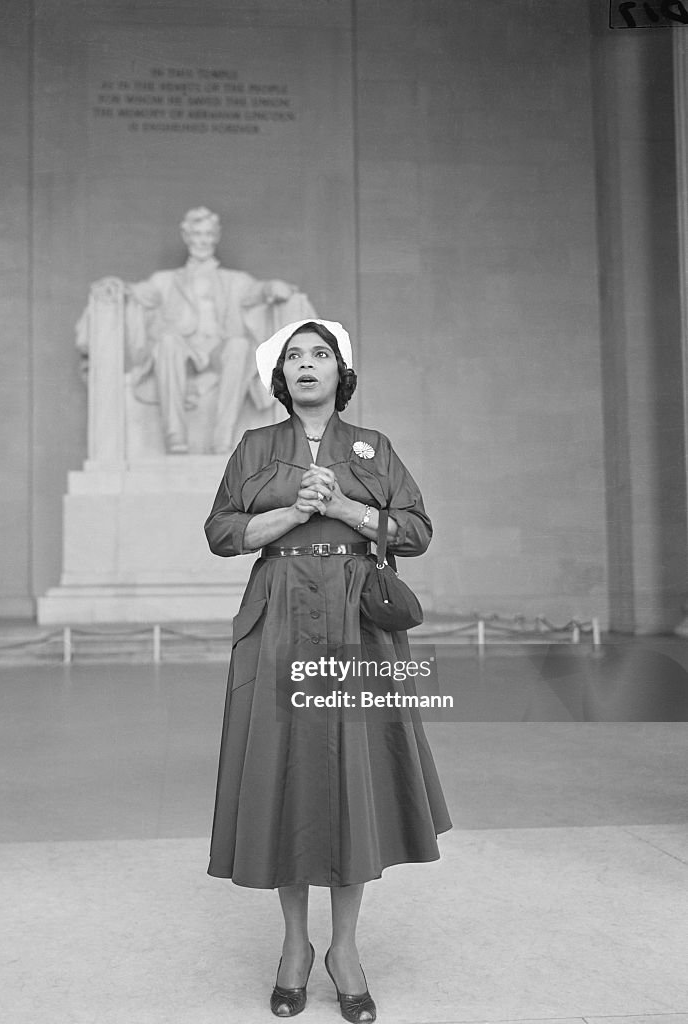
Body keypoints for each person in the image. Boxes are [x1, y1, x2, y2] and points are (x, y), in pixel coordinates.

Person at [204, 319, 452, 1021]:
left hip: (356, 620)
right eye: (293, 357)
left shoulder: (376, 448)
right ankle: (293, 946)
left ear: (341, 372)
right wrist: (290, 512)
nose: (306, 365)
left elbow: (419, 530)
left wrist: (343, 505)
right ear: (277, 378)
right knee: (282, 771)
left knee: (353, 776)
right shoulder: (255, 448)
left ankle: (344, 947)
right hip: (278, 615)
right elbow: (222, 533)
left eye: (320, 355)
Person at [124, 207, 311, 453]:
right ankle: (174, 434)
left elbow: (257, 291)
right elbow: (139, 294)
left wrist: (272, 287)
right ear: (186, 236)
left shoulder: (235, 280)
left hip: (218, 349)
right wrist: (116, 288)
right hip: (182, 348)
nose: (202, 240)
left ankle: (223, 437)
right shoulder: (164, 280)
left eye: (208, 234)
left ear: (216, 236)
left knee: (239, 345)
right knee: (167, 342)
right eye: (197, 234)